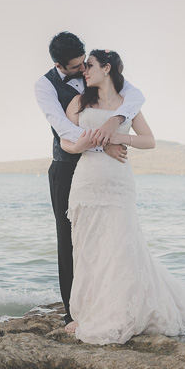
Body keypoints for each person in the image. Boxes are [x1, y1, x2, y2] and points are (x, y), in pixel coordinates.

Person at [58, 49, 185, 345]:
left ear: (107, 68)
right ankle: (87, 311)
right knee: (87, 247)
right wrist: (87, 144)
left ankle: (122, 309)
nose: (84, 72)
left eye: (89, 66)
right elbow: (66, 141)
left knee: (121, 246)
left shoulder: (127, 105)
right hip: (87, 182)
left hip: (118, 183)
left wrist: (118, 137)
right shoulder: (79, 102)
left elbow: (149, 140)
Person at [34, 32, 146, 331]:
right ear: (60, 64)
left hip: (101, 169)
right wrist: (102, 144)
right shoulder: (44, 86)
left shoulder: (93, 72)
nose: (82, 71)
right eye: (76, 67)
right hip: (66, 166)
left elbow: (135, 97)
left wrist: (115, 121)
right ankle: (74, 313)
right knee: (68, 240)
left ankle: (108, 303)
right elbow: (62, 128)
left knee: (106, 239)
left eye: (85, 64)